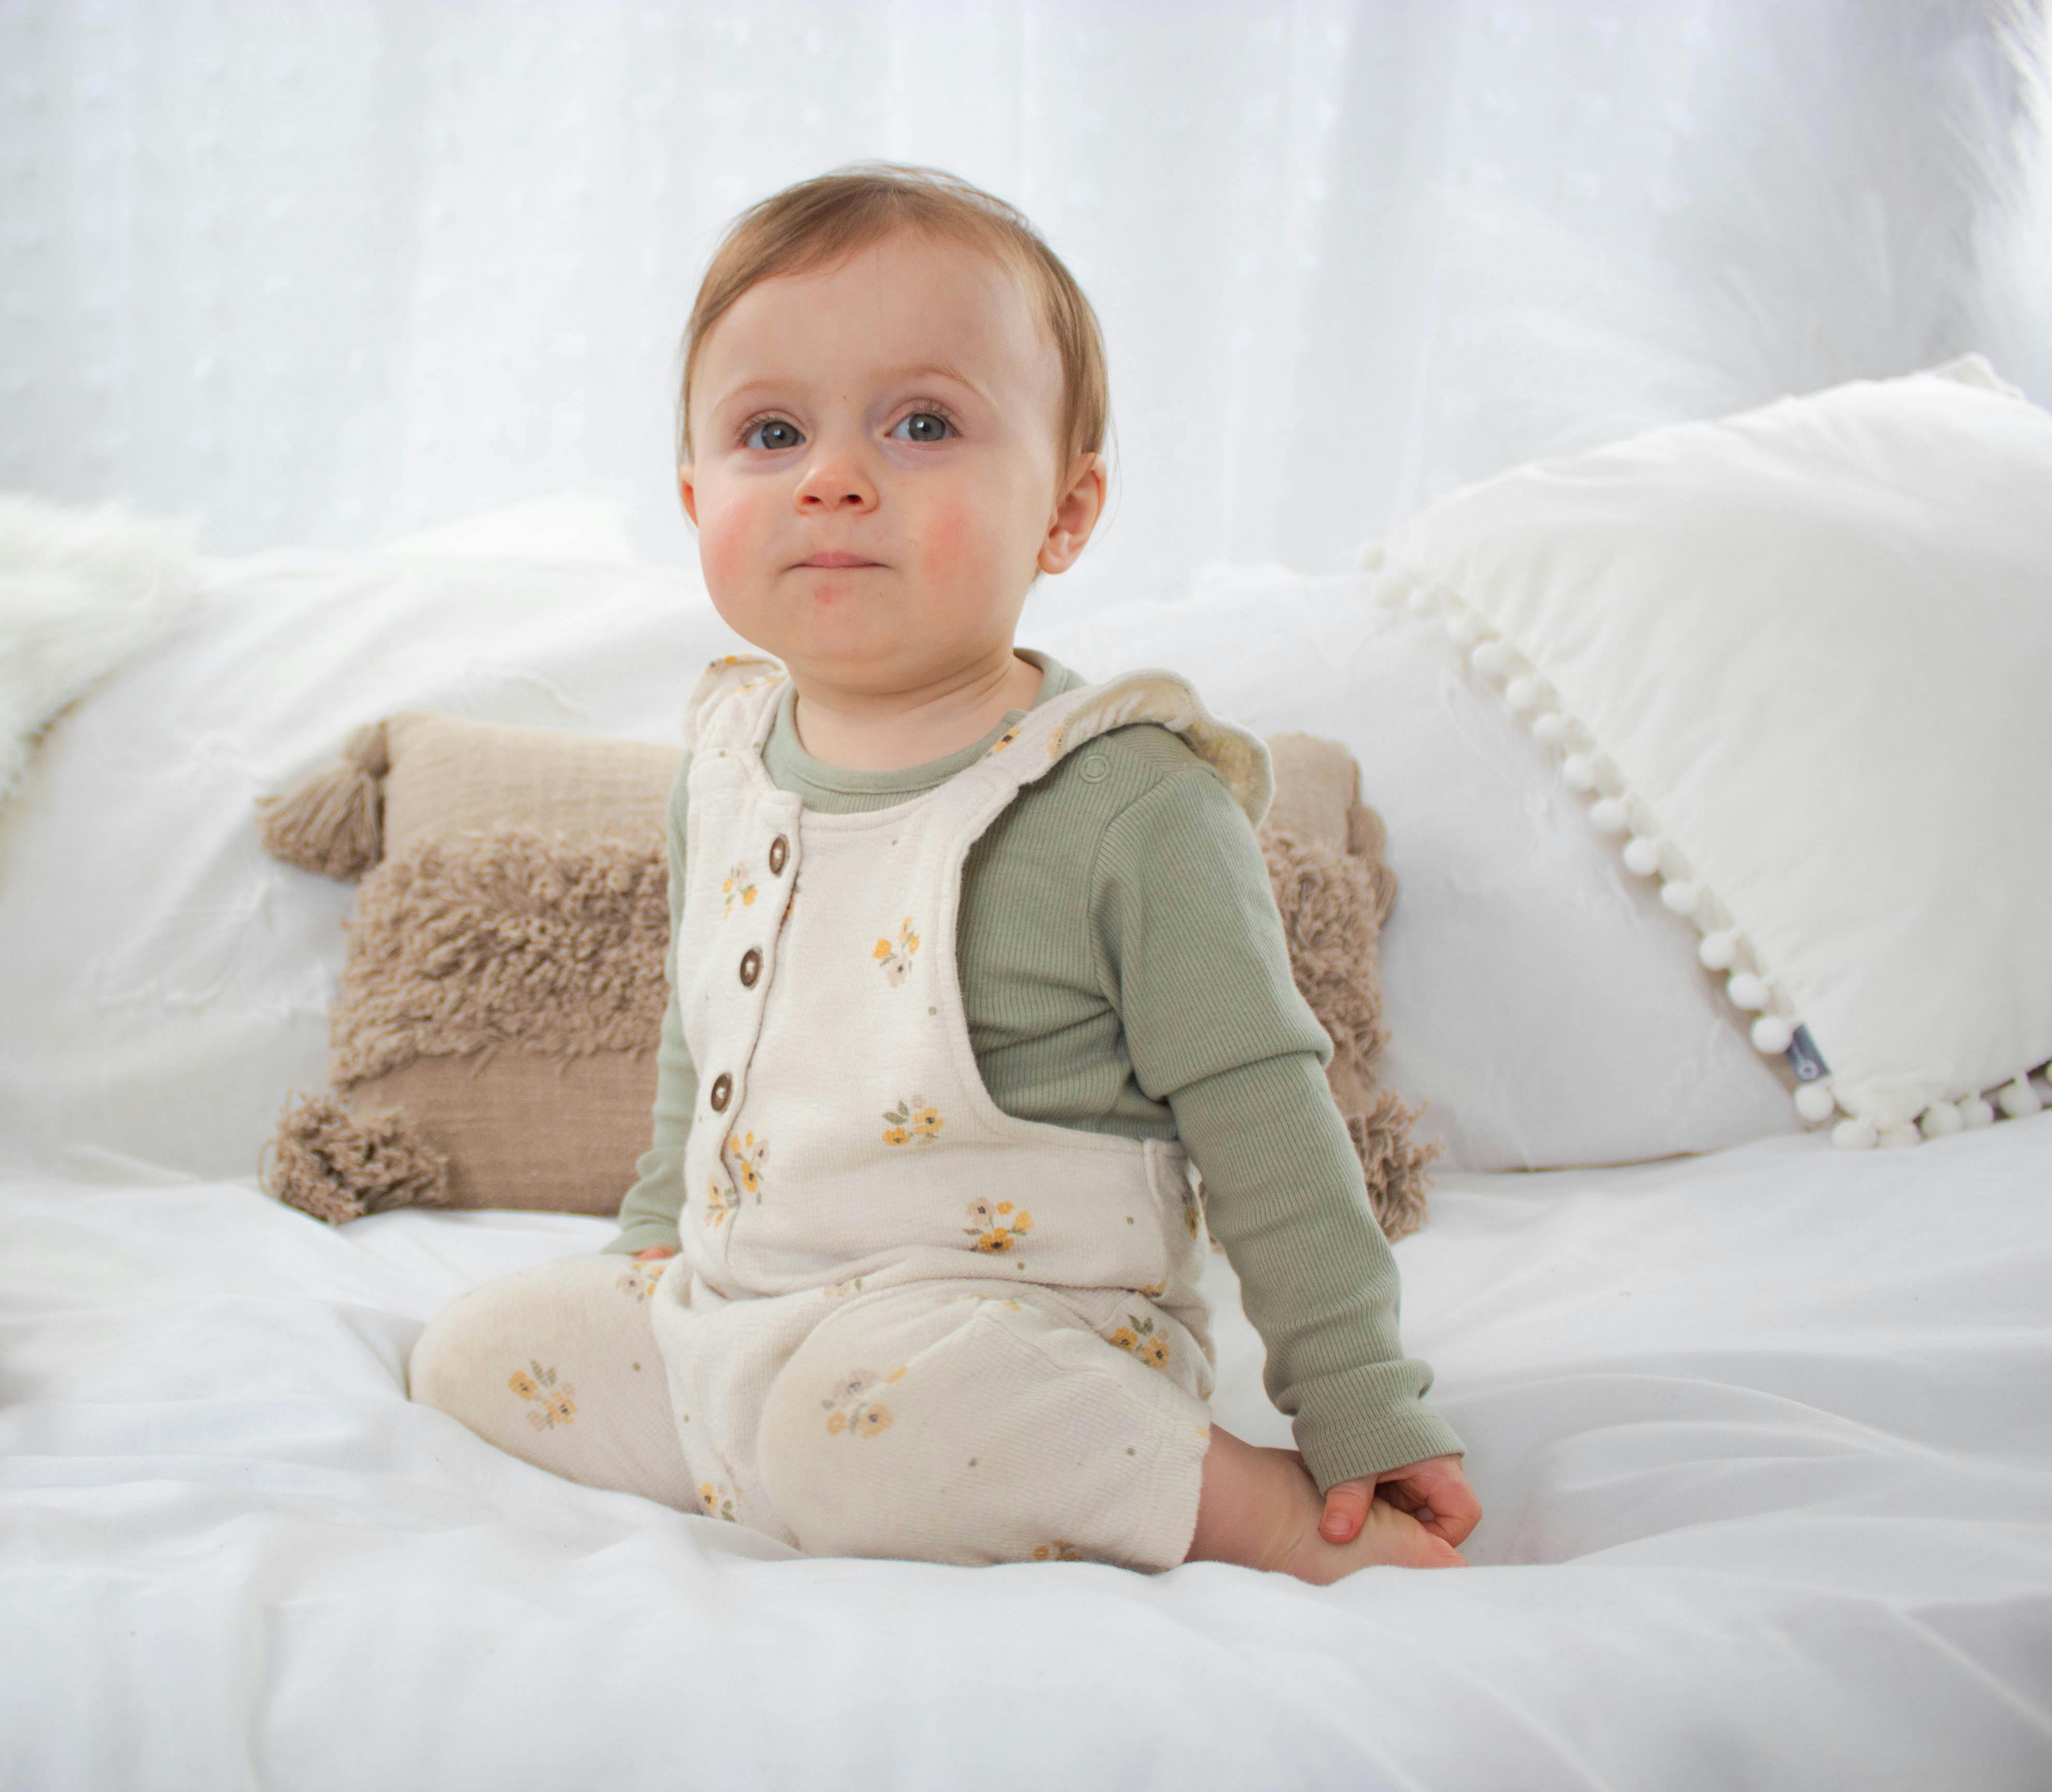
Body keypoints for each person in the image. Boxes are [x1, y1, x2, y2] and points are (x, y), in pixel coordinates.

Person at [411, 164, 1475, 1578]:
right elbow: (704, 1033)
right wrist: (657, 1241)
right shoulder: (725, 762)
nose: (833, 477)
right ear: (693, 493)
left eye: (922, 425)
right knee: (472, 1354)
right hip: (743, 1310)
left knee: (878, 1430)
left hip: (1014, 1342)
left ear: (1066, 511)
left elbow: (1266, 1115)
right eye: (772, 432)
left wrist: (1360, 1403)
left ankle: (1244, 1508)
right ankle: (772, 1448)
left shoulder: (1125, 795)